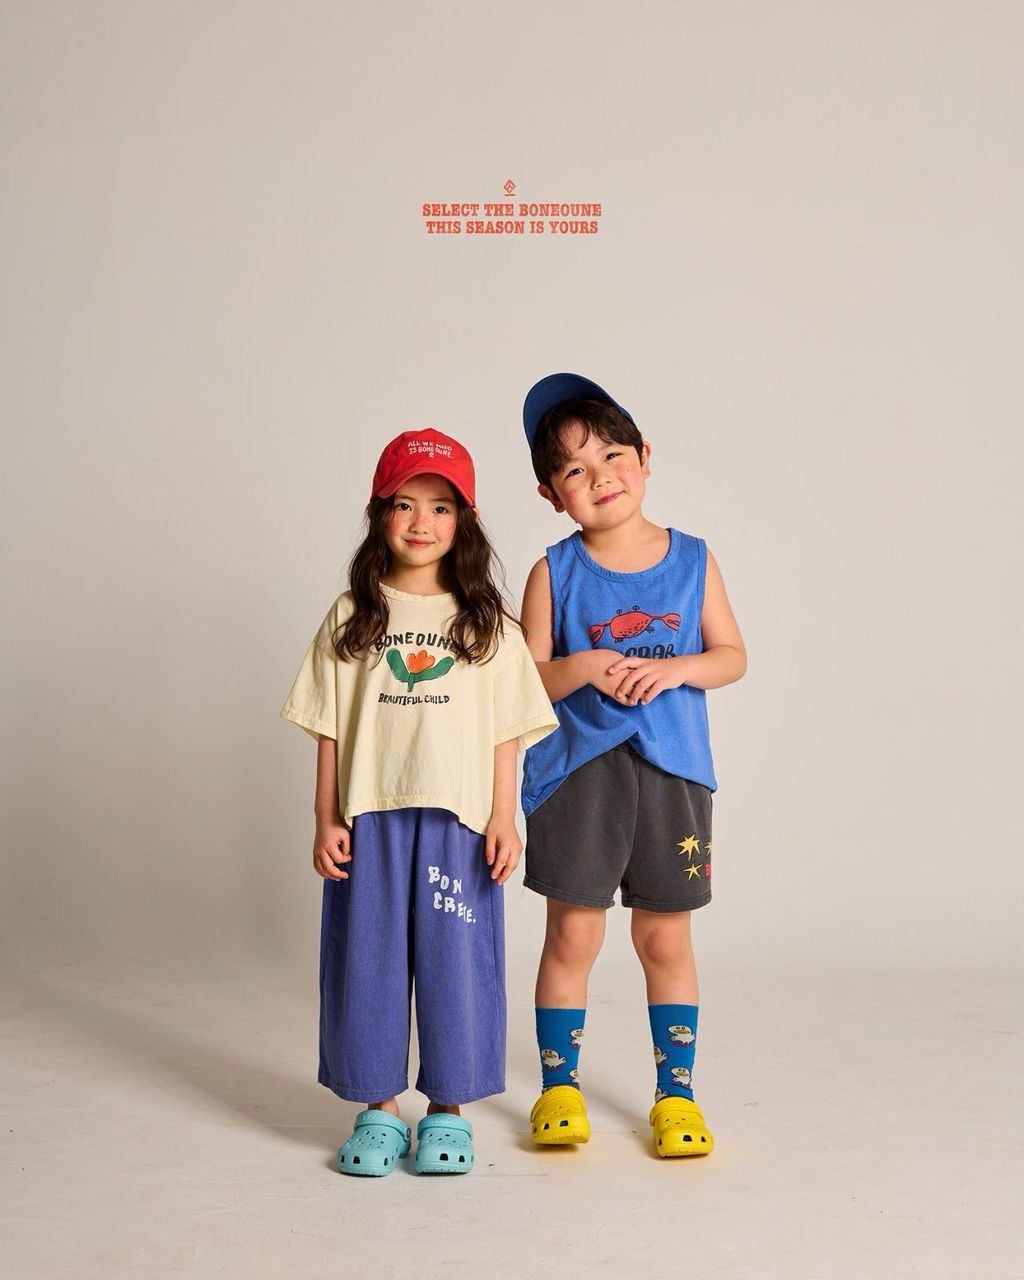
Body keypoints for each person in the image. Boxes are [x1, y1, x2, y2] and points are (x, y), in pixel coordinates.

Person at [281, 429, 557, 1177]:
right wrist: (325, 817)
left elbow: (507, 733)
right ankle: (377, 1110)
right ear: (379, 514)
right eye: (404, 504)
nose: (421, 522)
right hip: (369, 816)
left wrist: (503, 817)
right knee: (366, 962)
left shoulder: (488, 624)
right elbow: (329, 725)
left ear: (464, 520)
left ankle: (447, 1110)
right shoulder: (352, 614)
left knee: (456, 966)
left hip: (459, 822)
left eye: (440, 506)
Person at [517, 374, 746, 1158]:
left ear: (645, 457)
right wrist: (582, 665)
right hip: (579, 774)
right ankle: (559, 1089)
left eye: (613, 455)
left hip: (673, 772)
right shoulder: (553, 572)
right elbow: (523, 684)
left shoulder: (694, 560)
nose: (600, 477)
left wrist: (678, 669)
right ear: (552, 495)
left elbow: (731, 656)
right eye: (574, 470)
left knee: (665, 939)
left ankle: (675, 1096)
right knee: (574, 933)